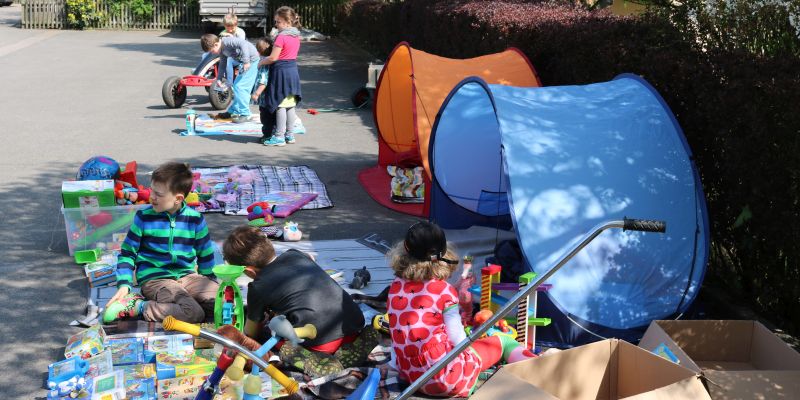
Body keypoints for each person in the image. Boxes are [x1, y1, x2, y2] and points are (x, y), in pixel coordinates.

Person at [387, 221, 536, 397]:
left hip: (413, 377)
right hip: (447, 380)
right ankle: (539, 368)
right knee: (502, 342)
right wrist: (474, 354)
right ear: (443, 255)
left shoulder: (395, 288)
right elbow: (458, 339)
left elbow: (397, 332)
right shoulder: (444, 290)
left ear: (403, 252)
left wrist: (394, 365)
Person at [222, 226, 379, 377]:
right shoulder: (295, 253)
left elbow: (251, 332)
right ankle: (358, 345)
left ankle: (322, 363)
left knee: (279, 340)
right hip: (353, 324)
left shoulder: (257, 287)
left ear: (249, 271)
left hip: (322, 343)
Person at [103, 162, 218, 324]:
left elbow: (205, 254)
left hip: (188, 277)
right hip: (156, 280)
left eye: (159, 194)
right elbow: (127, 254)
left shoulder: (195, 219)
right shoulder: (144, 217)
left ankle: (183, 304)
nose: (152, 197)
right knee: (193, 313)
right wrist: (124, 284)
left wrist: (208, 282)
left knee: (223, 303)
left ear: (178, 198)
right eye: (152, 191)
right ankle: (138, 306)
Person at [257, 6, 303, 146]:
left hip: (280, 72)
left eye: (278, 22)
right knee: (290, 104)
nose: (276, 25)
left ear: (287, 21)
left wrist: (260, 63)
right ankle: (289, 135)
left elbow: (273, 58)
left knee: (279, 104)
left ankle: (279, 136)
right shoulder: (296, 36)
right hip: (292, 71)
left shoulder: (281, 37)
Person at [201, 33, 259, 123]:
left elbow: (243, 43)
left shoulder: (227, 42)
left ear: (216, 44)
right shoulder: (222, 50)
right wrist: (219, 79)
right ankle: (233, 111)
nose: (212, 53)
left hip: (252, 61)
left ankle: (246, 114)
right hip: (245, 63)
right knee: (236, 86)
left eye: (212, 51)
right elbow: (222, 64)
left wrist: (246, 61)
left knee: (241, 87)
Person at [251, 37, 274, 142]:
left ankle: (267, 136)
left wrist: (257, 93)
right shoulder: (270, 60)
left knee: (265, 118)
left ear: (258, 51)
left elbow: (263, 80)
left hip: (265, 97)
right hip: (271, 95)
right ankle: (273, 133)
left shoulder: (263, 62)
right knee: (271, 116)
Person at [218, 13, 246, 86]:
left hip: (240, 56)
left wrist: (231, 37)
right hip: (228, 54)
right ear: (224, 25)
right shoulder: (222, 33)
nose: (230, 30)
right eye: (228, 27)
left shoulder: (240, 32)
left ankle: (229, 84)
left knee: (229, 60)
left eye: (232, 27)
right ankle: (217, 78)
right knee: (218, 58)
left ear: (236, 24)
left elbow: (240, 46)